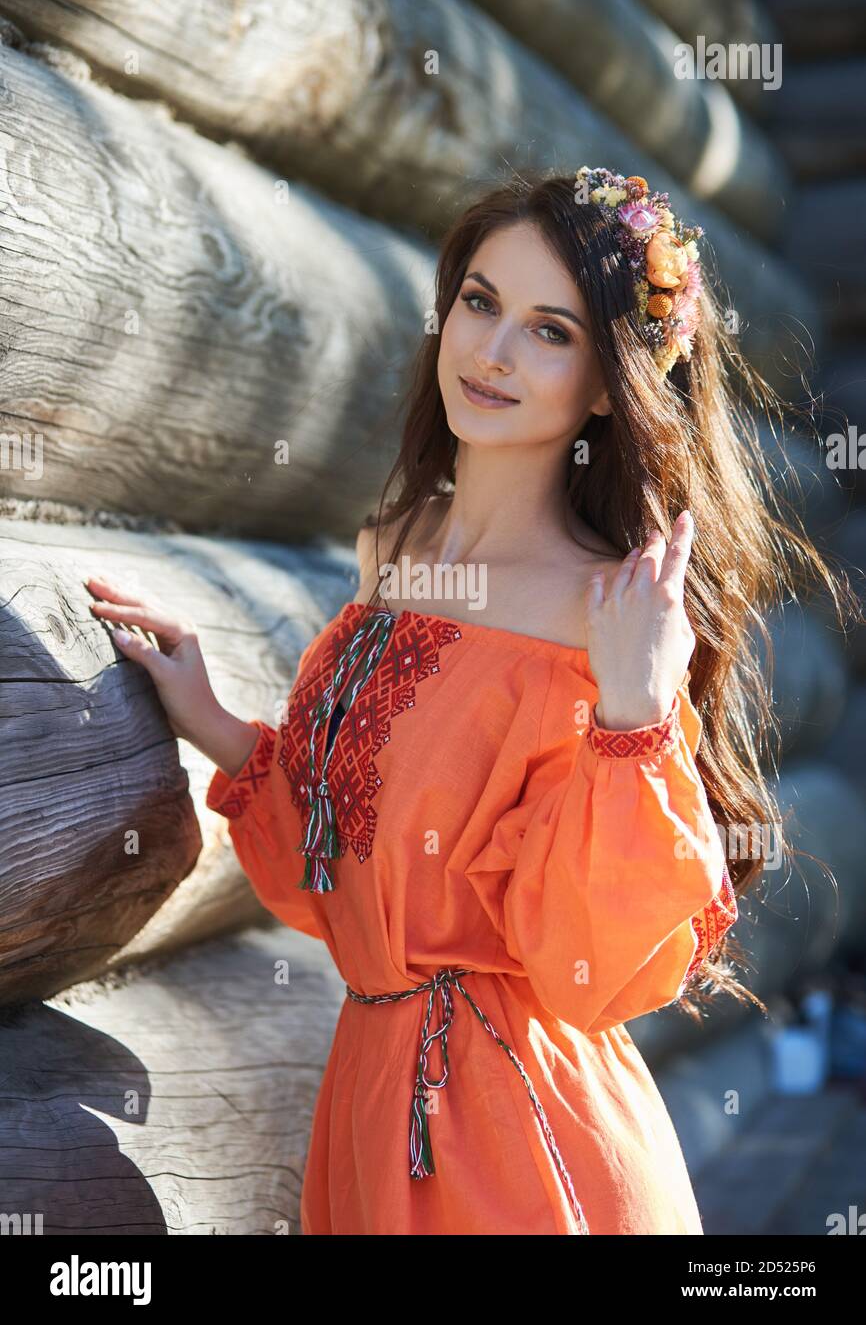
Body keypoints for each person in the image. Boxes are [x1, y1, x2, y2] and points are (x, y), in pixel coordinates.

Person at [86, 167, 848, 1234]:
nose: (489, 351)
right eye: (480, 302)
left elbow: (591, 969)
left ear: (603, 383)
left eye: (549, 330)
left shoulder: (608, 612)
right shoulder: (396, 551)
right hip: (371, 1100)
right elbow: (348, 867)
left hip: (519, 1143)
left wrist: (633, 715)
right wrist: (209, 717)